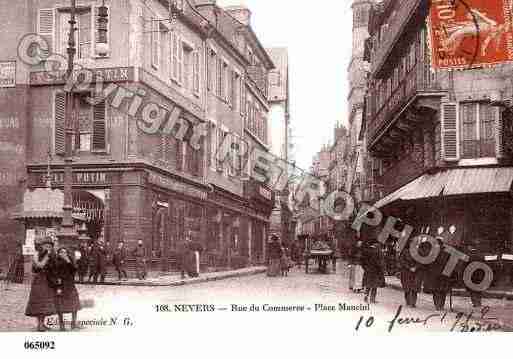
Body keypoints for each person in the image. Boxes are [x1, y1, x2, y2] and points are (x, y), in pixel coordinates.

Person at [25, 237, 58, 332]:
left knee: (45, 304)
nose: (48, 247)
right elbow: (39, 266)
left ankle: (42, 323)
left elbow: (54, 268)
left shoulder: (52, 256)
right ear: (42, 246)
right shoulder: (36, 254)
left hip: (48, 281)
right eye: (46, 245)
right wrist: (47, 256)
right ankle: (39, 325)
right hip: (39, 281)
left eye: (50, 246)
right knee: (39, 303)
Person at [48, 247, 81, 331]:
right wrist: (56, 281)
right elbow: (51, 273)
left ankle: (73, 323)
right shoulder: (55, 262)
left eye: (65, 252)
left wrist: (68, 261)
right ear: (58, 253)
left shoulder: (69, 260)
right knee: (60, 306)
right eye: (61, 252)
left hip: (70, 285)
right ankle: (61, 325)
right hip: (60, 285)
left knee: (74, 304)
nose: (63, 254)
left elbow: (74, 270)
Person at [398, 239, 423, 308]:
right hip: (407, 272)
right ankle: (408, 301)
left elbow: (421, 261)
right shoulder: (405, 251)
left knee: (414, 288)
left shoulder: (419, 252)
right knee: (407, 287)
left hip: (416, 272)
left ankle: (413, 303)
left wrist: (415, 267)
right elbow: (401, 260)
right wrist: (410, 267)